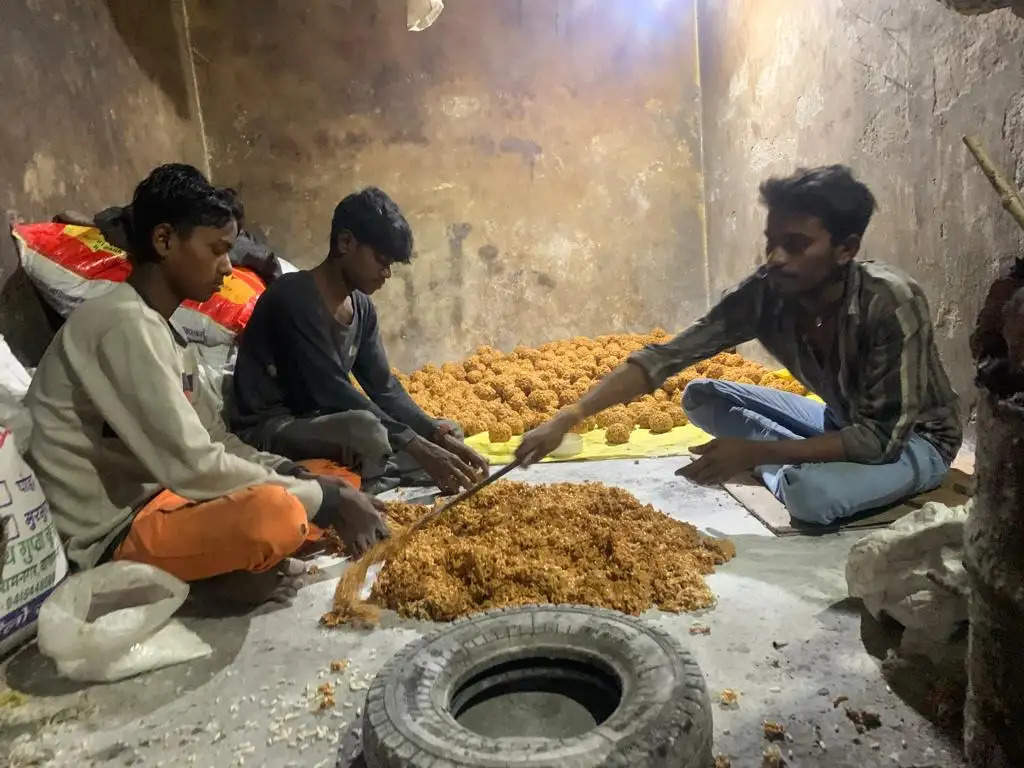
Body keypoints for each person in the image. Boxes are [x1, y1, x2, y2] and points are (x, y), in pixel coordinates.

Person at [517, 165, 962, 526]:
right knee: (700, 397)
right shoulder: (767, 292)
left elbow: (881, 440)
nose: (776, 258)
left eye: (796, 244)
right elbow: (666, 358)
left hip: (912, 442)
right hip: (839, 421)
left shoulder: (890, 302)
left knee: (811, 498)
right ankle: (786, 459)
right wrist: (570, 416)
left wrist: (757, 452)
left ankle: (784, 466)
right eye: (772, 243)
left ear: (846, 249)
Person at [26, 164, 389, 604]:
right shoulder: (121, 325)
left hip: (167, 497)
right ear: (164, 241)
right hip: (112, 533)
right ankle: (195, 590)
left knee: (329, 481)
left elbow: (217, 442)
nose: (228, 267)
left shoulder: (168, 333)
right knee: (278, 515)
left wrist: (299, 477)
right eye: (217, 249)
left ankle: (216, 570)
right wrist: (325, 503)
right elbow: (194, 466)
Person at [229, 187, 489, 496]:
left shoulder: (362, 308)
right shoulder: (293, 296)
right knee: (367, 431)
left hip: (327, 422)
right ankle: (369, 471)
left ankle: (370, 470)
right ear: (346, 242)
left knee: (449, 433)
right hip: (275, 428)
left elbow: (384, 387)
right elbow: (332, 390)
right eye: (381, 260)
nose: (386, 273)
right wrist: (416, 446)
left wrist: (435, 435)